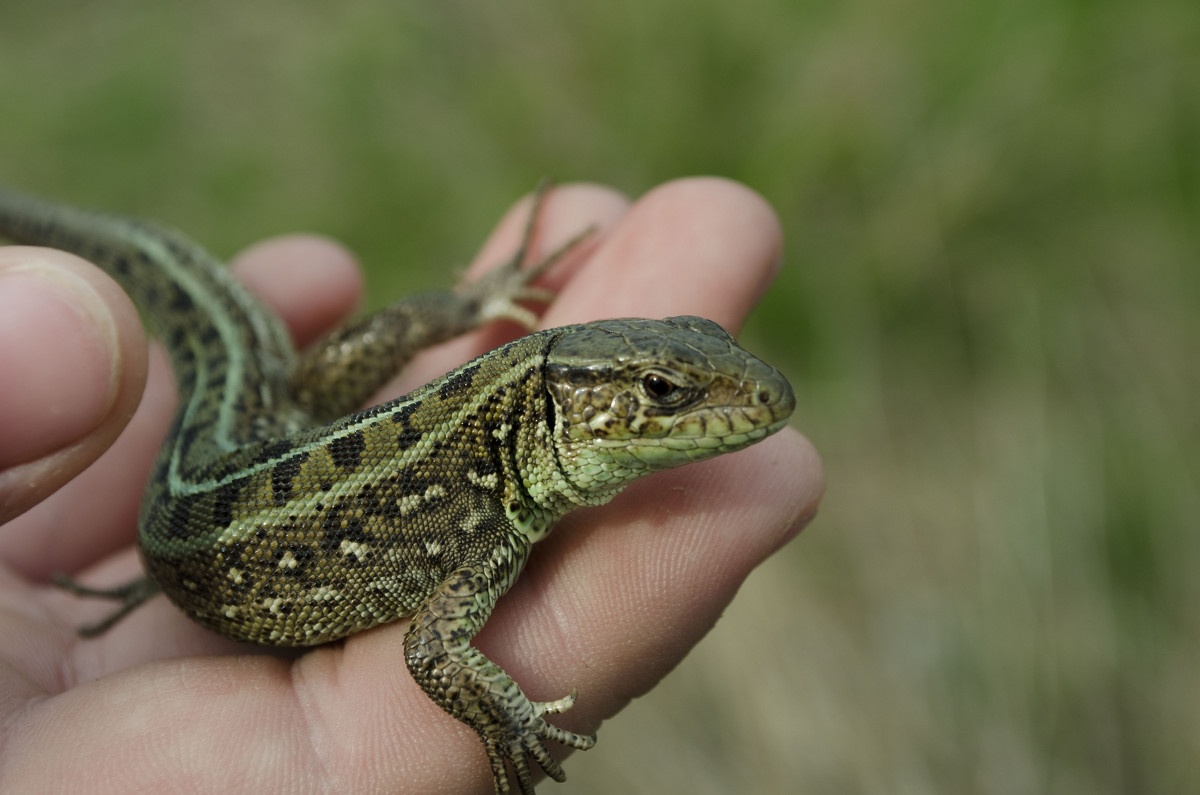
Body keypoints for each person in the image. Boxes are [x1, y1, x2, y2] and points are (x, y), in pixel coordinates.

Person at [0, 177, 823, 791]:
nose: (742, 399)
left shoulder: (498, 484)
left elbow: (430, 645)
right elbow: (429, 648)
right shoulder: (488, 525)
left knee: (288, 373)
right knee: (287, 371)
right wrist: (509, 721)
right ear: (555, 412)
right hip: (206, 503)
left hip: (235, 459)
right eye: (662, 391)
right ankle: (470, 301)